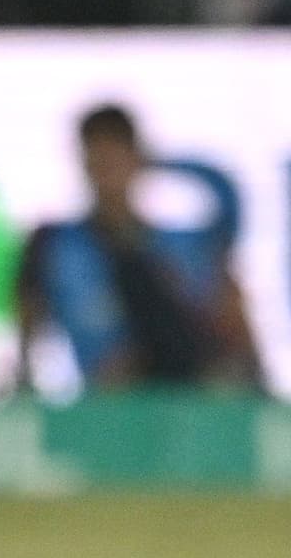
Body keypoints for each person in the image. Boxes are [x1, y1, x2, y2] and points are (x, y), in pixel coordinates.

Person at [16, 104, 260, 392]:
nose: (106, 176)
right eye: (98, 162)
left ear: (137, 159)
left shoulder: (185, 248)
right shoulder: (55, 247)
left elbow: (241, 348)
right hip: (106, 413)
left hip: (188, 404)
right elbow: (27, 349)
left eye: (114, 160)